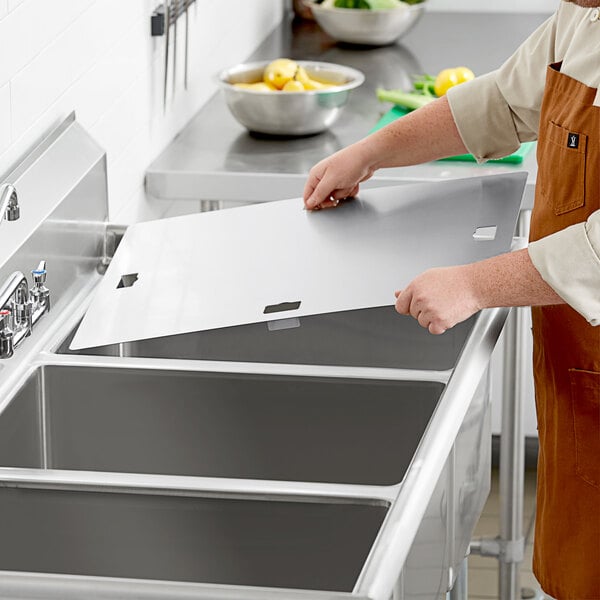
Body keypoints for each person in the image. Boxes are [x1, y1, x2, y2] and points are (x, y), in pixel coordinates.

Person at [303, 1, 600, 598]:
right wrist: (372, 152)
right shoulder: (584, 16)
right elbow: (503, 101)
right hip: (582, 365)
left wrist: (473, 283)